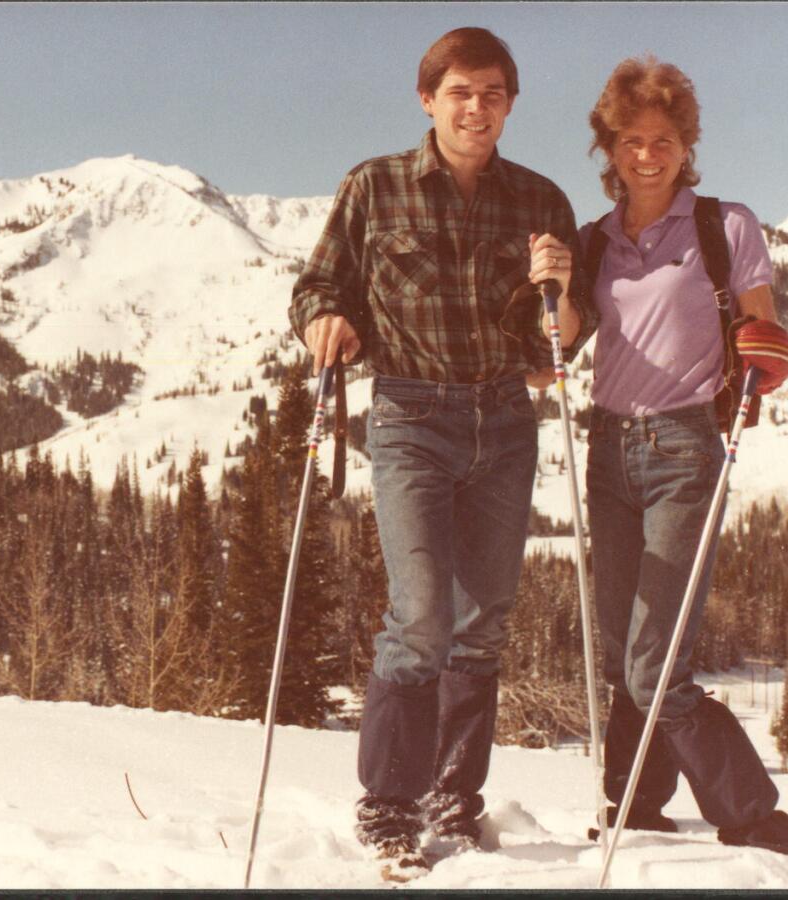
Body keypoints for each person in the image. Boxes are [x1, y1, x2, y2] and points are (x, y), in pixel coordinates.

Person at [288, 27, 592, 878]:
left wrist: (558, 291)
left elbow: (559, 348)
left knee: (481, 624)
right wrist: (325, 321)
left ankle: (455, 797)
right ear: (429, 99)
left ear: (510, 104)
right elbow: (317, 286)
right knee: (420, 616)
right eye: (461, 91)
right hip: (411, 417)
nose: (477, 107)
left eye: (494, 93)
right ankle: (389, 806)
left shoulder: (540, 202)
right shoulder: (375, 186)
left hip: (503, 419)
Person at [572, 55, 788, 856]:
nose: (647, 153)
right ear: (609, 148)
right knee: (624, 645)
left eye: (663, 138)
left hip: (684, 448)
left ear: (685, 143)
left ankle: (753, 815)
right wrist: (545, 288)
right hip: (606, 449)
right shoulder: (594, 241)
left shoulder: (722, 225)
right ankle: (635, 804)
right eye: (631, 138)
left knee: (654, 656)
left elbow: (763, 328)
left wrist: (761, 368)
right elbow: (557, 341)